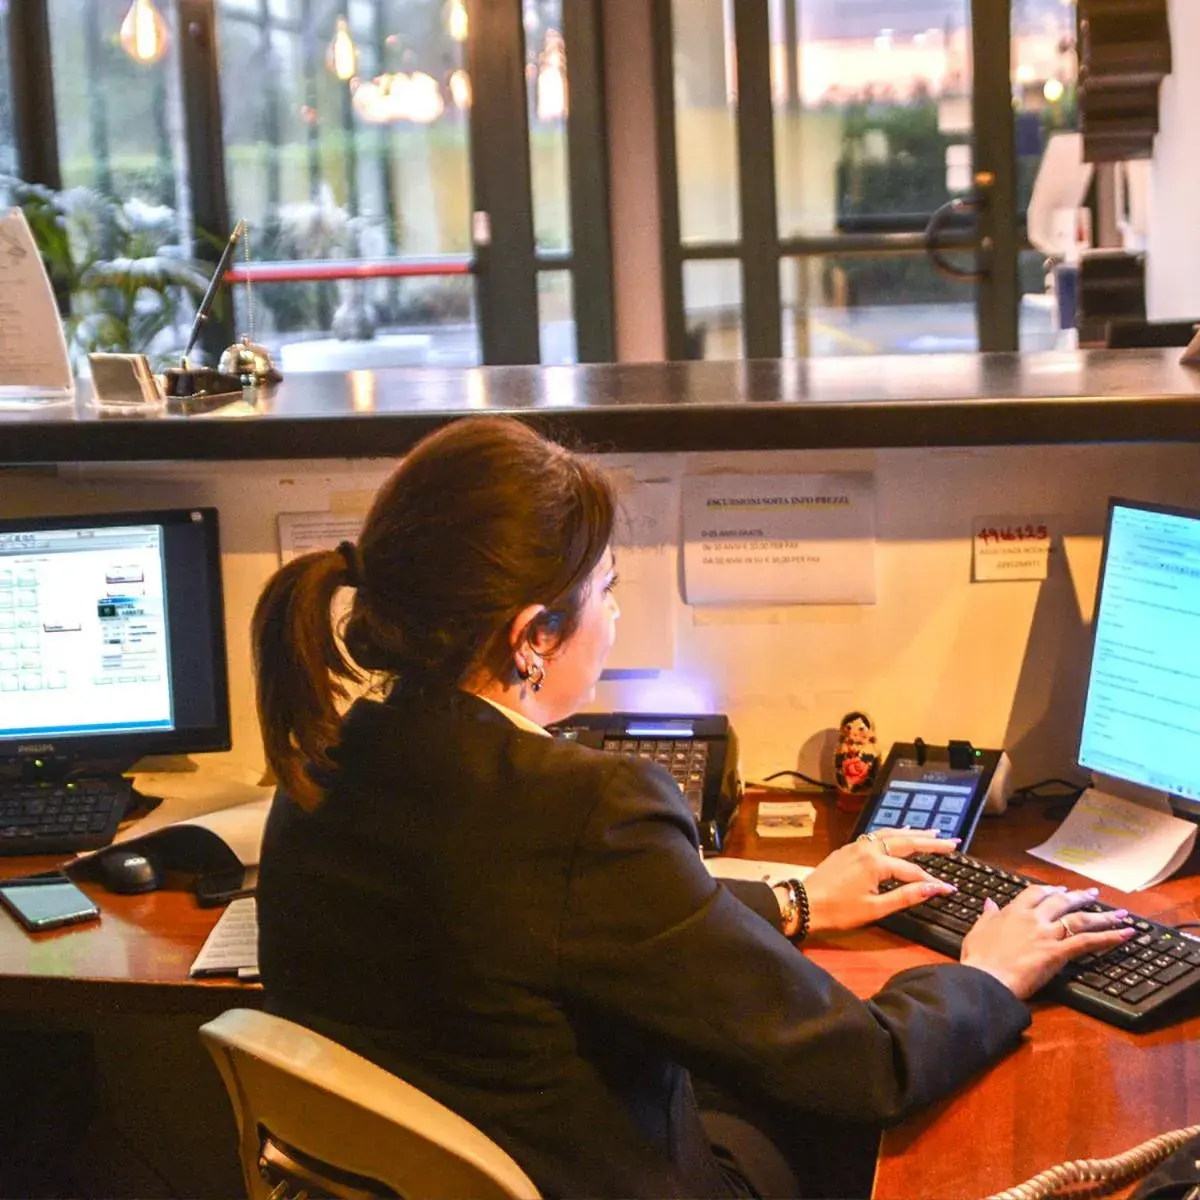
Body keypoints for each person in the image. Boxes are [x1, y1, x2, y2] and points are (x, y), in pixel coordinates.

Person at [252, 416, 1133, 1200]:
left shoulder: (323, 766)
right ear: (533, 638)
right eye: (604, 591)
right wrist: (985, 975)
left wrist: (794, 903)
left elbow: (534, 923)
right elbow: (867, 1065)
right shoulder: (587, 810)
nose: (615, 614)